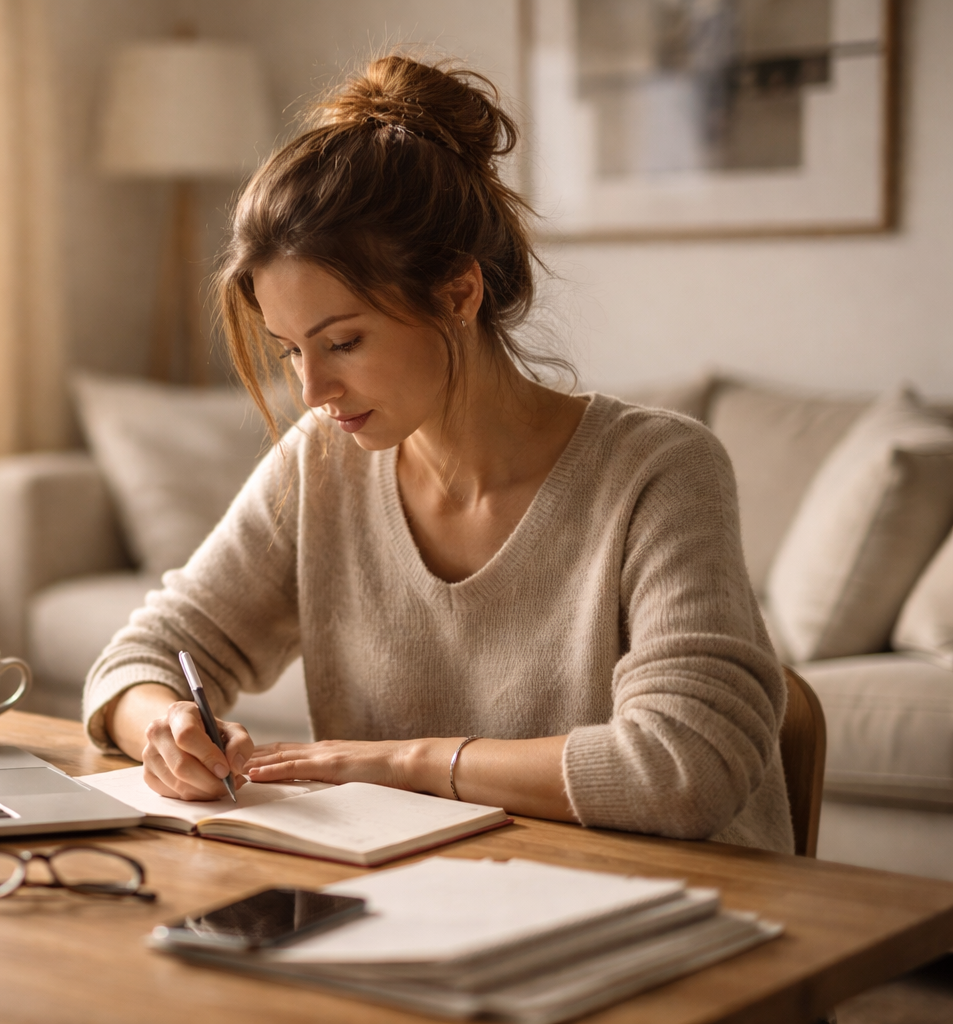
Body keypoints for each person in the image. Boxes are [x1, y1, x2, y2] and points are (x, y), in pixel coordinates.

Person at [81, 54, 792, 853]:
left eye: (343, 341)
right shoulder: (323, 462)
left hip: (673, 924)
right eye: (289, 350)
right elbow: (140, 658)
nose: (312, 388)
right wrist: (167, 726)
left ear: (458, 292)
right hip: (425, 908)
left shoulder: (660, 471)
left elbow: (684, 768)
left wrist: (402, 763)